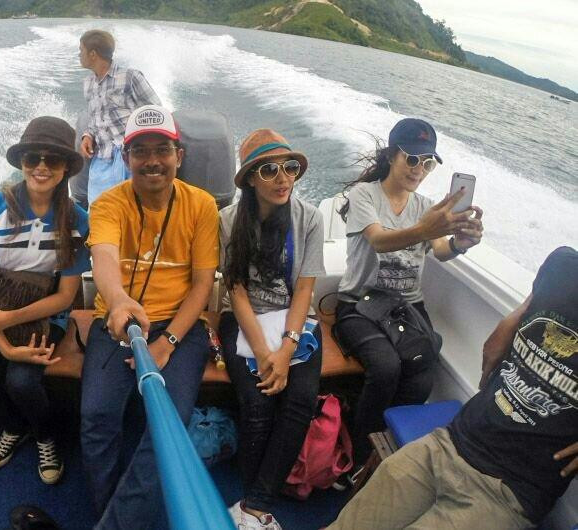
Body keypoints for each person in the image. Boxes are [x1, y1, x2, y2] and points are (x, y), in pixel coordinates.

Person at [328, 246, 578, 530]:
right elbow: (531, 304)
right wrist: (513, 318)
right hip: (449, 443)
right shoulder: (563, 265)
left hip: (507, 491)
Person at [80, 104, 220, 529]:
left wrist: (168, 342)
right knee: (96, 418)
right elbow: (104, 258)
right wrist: (119, 300)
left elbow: (202, 286)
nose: (152, 160)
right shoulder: (108, 204)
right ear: (126, 159)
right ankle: (108, 511)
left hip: (180, 325)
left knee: (166, 427)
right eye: (140, 151)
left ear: (180, 156)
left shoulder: (201, 205)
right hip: (118, 320)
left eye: (163, 149)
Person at [334, 118, 484, 474]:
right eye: (412, 159)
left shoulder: (426, 206)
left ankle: (388, 448)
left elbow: (440, 249)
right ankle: (358, 454)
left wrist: (461, 243)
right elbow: (378, 240)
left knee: (423, 365)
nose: (419, 169)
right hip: (359, 304)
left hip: (405, 308)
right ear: (392, 156)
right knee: (385, 367)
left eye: (427, 162)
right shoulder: (365, 195)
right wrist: (425, 228)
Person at [0, 116, 90, 485]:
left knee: (22, 383)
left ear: (66, 168)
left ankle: (46, 436)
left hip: (45, 316)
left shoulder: (77, 220)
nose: (41, 167)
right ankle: (14, 427)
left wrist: (7, 321)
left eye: (53, 159)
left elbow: (65, 296)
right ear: (21, 162)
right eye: (33, 157)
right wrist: (2, 340)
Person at [219, 129, 326, 530]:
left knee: (300, 399)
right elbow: (236, 291)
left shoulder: (309, 218)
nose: (283, 179)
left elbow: (305, 290)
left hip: (295, 319)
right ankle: (256, 504)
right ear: (250, 178)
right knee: (258, 403)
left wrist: (286, 350)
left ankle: (253, 505)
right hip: (243, 318)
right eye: (269, 170)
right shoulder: (229, 220)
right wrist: (265, 353)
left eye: (290, 167)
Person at [78, 29, 162, 204]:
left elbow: (156, 112)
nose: (79, 55)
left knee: (134, 209)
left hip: (130, 156)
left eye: (81, 50)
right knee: (99, 211)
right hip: (102, 158)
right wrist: (87, 135)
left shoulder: (130, 77)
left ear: (93, 54)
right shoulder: (88, 84)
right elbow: (95, 119)